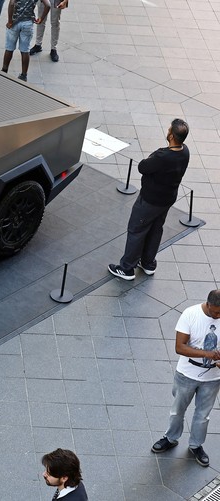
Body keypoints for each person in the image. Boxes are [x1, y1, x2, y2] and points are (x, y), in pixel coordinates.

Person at [108, 118, 190, 280]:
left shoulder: (162, 156)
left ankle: (127, 268)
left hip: (150, 200)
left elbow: (142, 167)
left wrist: (154, 155)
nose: (167, 131)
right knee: (155, 229)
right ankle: (148, 263)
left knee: (136, 230)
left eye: (169, 130)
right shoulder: (185, 151)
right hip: (167, 199)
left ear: (172, 136)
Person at [150, 290, 220, 467]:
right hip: (187, 374)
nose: (219, 316)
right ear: (209, 304)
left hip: (213, 378)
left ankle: (196, 445)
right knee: (177, 410)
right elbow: (180, 347)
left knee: (203, 415)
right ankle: (171, 438)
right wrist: (208, 354)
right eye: (217, 312)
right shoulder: (191, 314)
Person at [0, 0, 49, 81]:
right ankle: (23, 75)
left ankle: (4, 71)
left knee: (9, 48)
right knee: (25, 50)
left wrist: (9, 21)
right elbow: (48, 5)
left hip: (14, 22)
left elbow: (12, 3)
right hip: (28, 23)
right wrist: (41, 18)